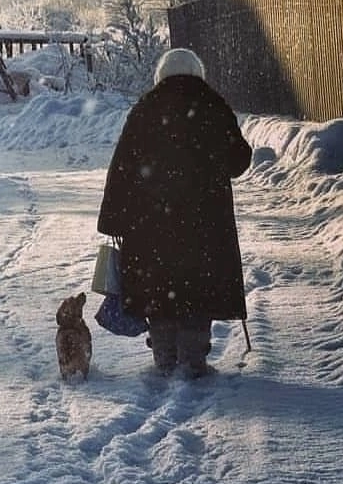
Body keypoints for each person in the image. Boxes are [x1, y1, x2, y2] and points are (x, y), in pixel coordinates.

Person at [97, 47, 252, 377]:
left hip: (151, 223)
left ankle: (165, 357)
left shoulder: (146, 109)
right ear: (198, 73)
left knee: (159, 289)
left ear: (161, 75)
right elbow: (239, 161)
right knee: (197, 288)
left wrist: (113, 218)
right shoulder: (213, 106)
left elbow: (122, 166)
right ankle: (194, 358)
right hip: (203, 222)